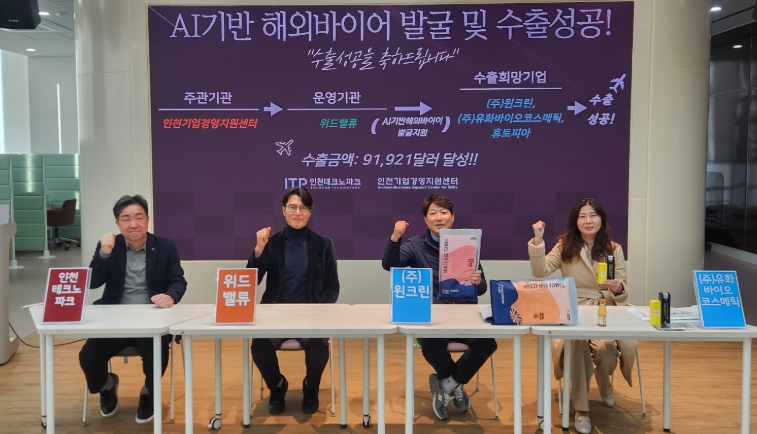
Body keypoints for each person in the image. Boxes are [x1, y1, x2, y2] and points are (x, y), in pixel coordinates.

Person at [382, 193, 497, 421]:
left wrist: (478, 281)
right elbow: (389, 264)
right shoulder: (416, 245)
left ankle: (446, 385)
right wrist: (395, 237)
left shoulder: (467, 244)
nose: (439, 217)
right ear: (425, 219)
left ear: (452, 217)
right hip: (432, 317)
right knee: (431, 345)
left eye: (444, 212)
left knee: (488, 344)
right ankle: (455, 385)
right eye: (433, 213)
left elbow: (482, 287)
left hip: (465, 315)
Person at [528, 198, 636, 434]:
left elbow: (622, 292)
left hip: (604, 311)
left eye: (593, 215)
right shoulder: (564, 246)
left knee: (606, 350)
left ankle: (605, 385)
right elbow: (540, 271)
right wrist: (537, 241)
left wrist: (618, 288)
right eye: (582, 216)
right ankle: (581, 410)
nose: (588, 220)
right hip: (574, 311)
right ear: (575, 221)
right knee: (577, 344)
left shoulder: (614, 248)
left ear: (601, 220)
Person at [79, 195, 187, 424]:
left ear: (147, 219)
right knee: (88, 355)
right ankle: (106, 385)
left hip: (151, 319)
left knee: (157, 353)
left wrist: (170, 296)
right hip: (115, 319)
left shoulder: (165, 246)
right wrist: (103, 255)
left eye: (139, 217)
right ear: (117, 223)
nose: (133, 224)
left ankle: (149, 393)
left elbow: (178, 281)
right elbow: (93, 282)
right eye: (126, 219)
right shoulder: (110, 246)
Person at [247, 187, 339, 415]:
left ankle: (311, 388)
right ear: (283, 210)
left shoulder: (323, 244)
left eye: (303, 208)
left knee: (319, 346)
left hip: (310, 315)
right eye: (292, 207)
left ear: (310, 212)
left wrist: (320, 312)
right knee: (259, 346)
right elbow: (251, 281)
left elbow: (332, 287)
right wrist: (258, 250)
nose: (298, 212)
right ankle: (278, 387)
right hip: (275, 315)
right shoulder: (271, 243)